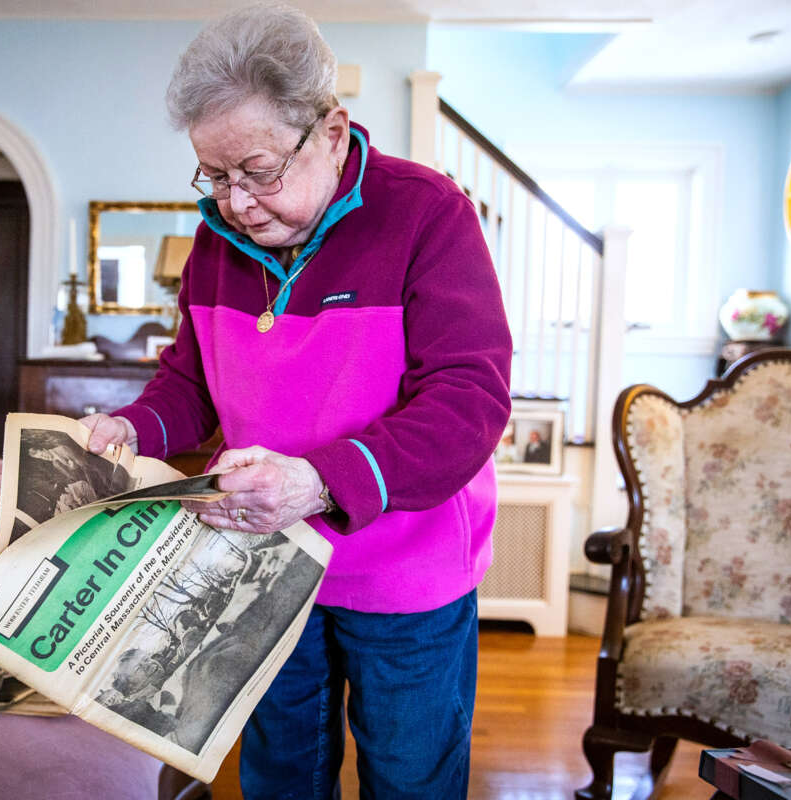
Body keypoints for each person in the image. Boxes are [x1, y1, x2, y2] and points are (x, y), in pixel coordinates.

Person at [80, 5, 512, 797]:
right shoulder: (217, 240)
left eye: (259, 170)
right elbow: (191, 380)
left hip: (406, 574)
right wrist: (129, 428)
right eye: (215, 175)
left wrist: (317, 482)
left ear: (333, 131)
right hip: (267, 568)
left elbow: (469, 401)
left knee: (410, 782)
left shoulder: (428, 213)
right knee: (281, 778)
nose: (236, 203)